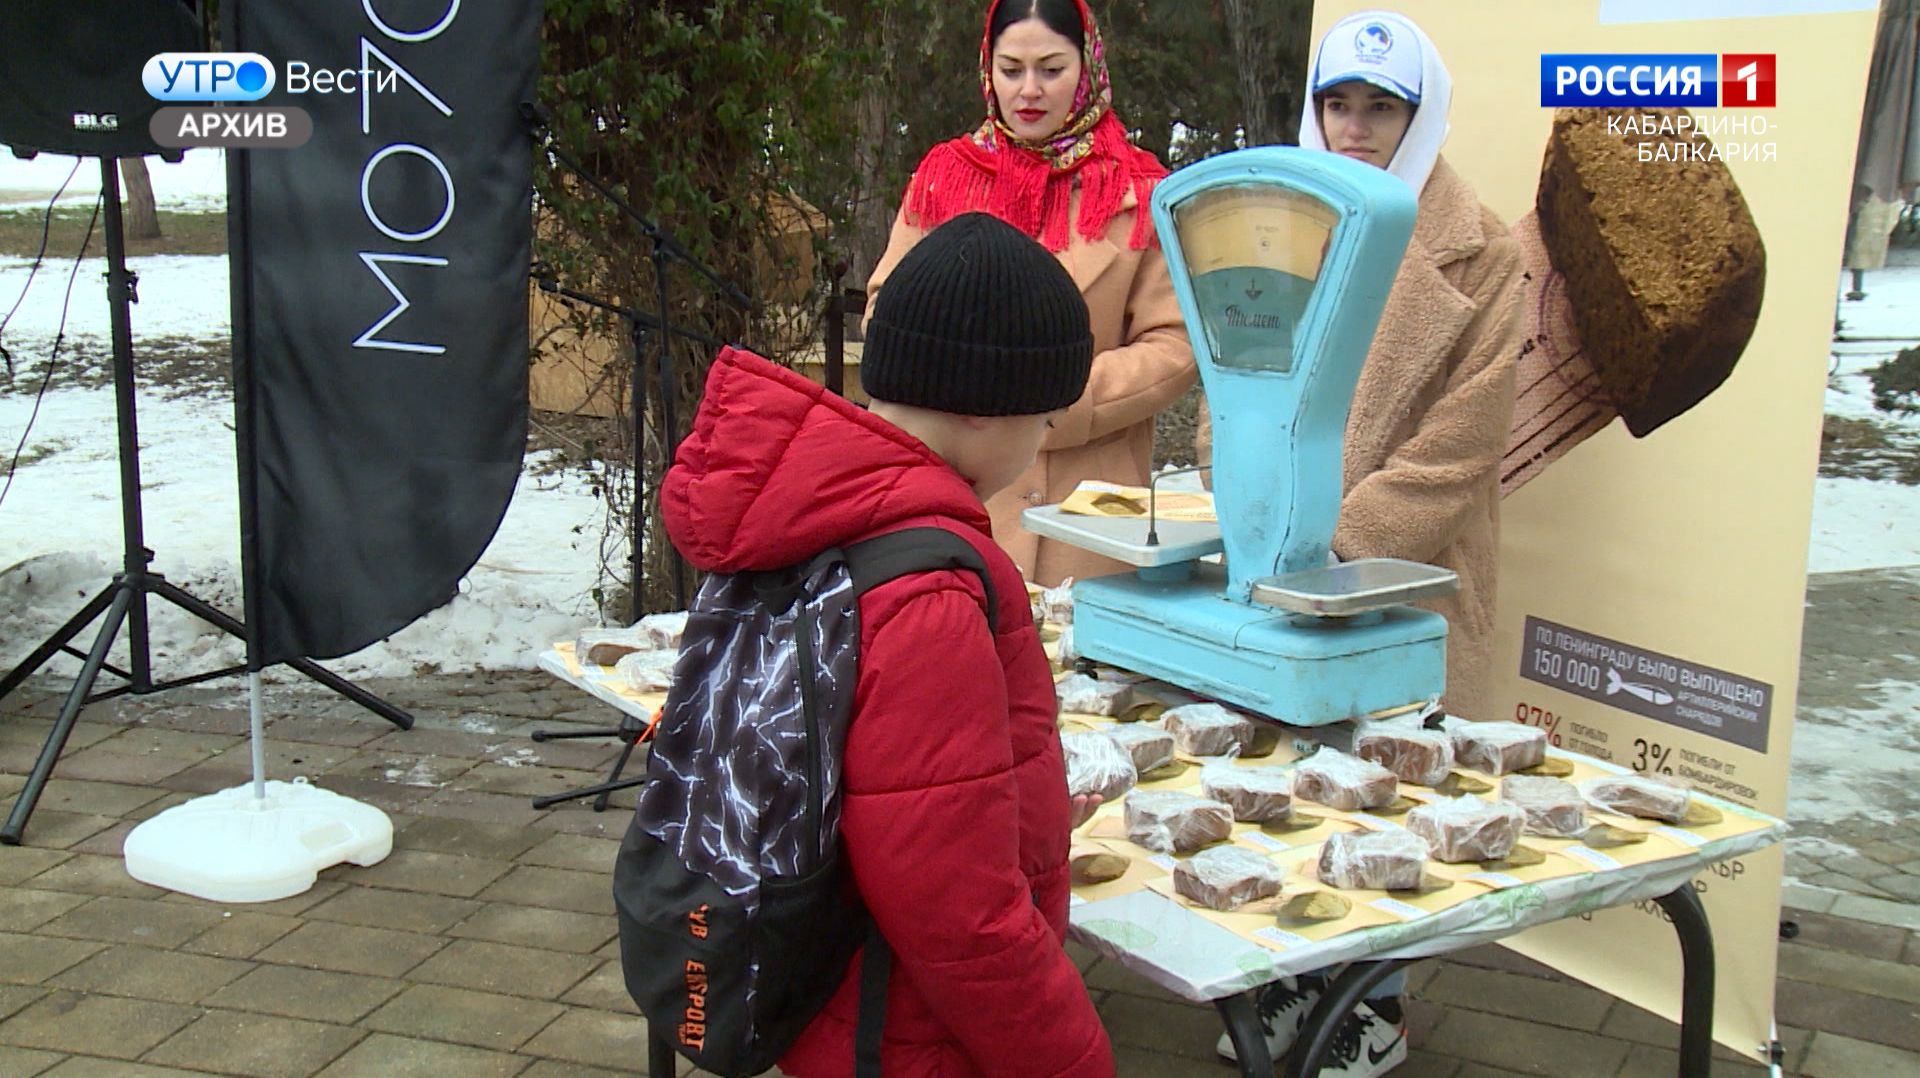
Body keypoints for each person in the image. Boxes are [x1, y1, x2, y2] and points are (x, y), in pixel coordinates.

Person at [663, 213, 1114, 1078]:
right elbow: (954, 907)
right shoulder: (928, 587)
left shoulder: (807, 514)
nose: (1042, 443)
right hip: (905, 1028)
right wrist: (1071, 1059)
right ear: (990, 412)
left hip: (818, 977)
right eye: (1047, 422)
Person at [1199, 11, 1522, 1077]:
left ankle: (1374, 1003)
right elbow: (1233, 363)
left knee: (1384, 787)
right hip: (1271, 566)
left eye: (1382, 106)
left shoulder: (1485, 251)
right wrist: (1249, 498)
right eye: (1339, 102)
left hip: (1401, 574)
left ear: (1419, 115)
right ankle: (1289, 978)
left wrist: (1340, 536)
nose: (1355, 125)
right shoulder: (1278, 213)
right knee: (1286, 782)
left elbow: (1464, 440)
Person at [865, 0, 1195, 586]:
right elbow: (886, 311)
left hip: (1090, 502)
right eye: (1011, 69)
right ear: (986, 70)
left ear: (1088, 67)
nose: (1029, 91)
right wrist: (976, 396)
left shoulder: (1145, 193)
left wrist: (1053, 401)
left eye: (1051, 68)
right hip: (956, 491)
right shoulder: (945, 177)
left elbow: (1174, 346)